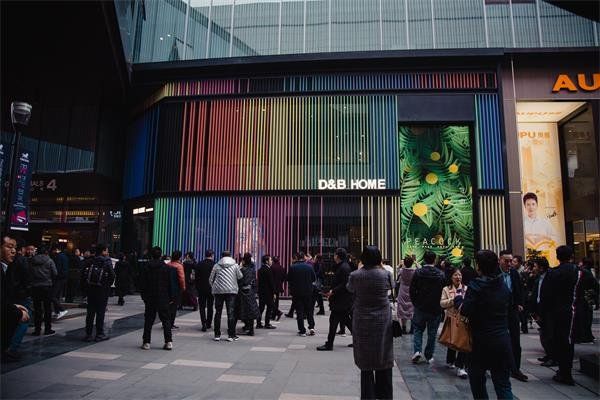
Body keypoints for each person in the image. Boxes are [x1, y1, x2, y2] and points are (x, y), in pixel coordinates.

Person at [459, 250, 513, 400]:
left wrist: (458, 301)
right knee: (503, 384)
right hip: (501, 340)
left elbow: (466, 310)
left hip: (480, 342)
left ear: (479, 266)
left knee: (478, 383)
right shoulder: (502, 286)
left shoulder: (477, 286)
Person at [347, 245, 393, 400]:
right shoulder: (385, 274)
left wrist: (360, 268)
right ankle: (385, 394)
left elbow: (350, 289)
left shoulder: (355, 275)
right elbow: (391, 287)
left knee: (365, 361)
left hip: (362, 319)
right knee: (383, 356)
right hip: (383, 319)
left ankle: (368, 396)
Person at [540, 246, 581, 385]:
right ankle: (565, 372)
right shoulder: (578, 272)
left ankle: (563, 371)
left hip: (555, 312)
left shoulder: (553, 273)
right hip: (572, 310)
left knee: (559, 339)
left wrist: (542, 312)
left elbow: (545, 295)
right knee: (568, 341)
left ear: (557, 257)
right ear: (571, 256)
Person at [410, 251, 445, 364]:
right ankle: (429, 355)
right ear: (434, 260)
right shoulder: (440, 274)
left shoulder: (418, 272)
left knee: (418, 329)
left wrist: (416, 302)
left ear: (424, 259)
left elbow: (412, 290)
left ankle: (417, 351)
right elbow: (443, 290)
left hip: (420, 306)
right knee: (432, 332)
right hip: (435, 308)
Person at [498, 250, 528, 382]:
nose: (509, 263)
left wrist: (520, 303)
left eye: (511, 261)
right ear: (500, 260)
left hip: (512, 310)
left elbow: (519, 289)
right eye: (506, 261)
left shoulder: (514, 273)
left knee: (515, 340)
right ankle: (498, 365)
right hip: (498, 311)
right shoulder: (495, 274)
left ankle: (515, 369)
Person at [140, 246, 175, 350]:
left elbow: (142, 283)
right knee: (166, 320)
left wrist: (144, 296)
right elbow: (170, 284)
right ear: (161, 255)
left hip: (150, 297)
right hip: (163, 297)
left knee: (149, 320)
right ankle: (168, 341)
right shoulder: (167, 268)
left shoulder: (146, 267)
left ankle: (146, 342)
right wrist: (171, 297)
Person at [1, 235, 30, 361]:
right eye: (9, 247)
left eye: (15, 247)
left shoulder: (6, 267)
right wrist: (16, 310)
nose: (13, 251)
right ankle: (11, 349)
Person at [318, 248, 353, 351]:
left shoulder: (344, 267)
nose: (333, 256)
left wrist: (333, 291)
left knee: (334, 321)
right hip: (341, 300)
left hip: (341, 300)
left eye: (334, 255)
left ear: (337, 256)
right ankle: (358, 340)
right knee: (346, 321)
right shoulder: (342, 266)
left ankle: (329, 344)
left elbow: (344, 284)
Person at [80, 244, 115, 342]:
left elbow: (83, 275)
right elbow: (112, 275)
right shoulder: (107, 261)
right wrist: (107, 286)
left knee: (90, 312)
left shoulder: (90, 261)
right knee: (100, 312)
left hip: (91, 290)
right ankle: (99, 334)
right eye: (106, 250)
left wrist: (85, 289)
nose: (107, 252)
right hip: (102, 290)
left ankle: (88, 334)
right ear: (103, 251)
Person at [440, 266, 468, 379]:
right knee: (452, 342)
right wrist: (453, 300)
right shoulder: (446, 289)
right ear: (451, 277)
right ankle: (450, 360)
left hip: (464, 320)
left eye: (460, 275)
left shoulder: (467, 289)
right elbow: (442, 303)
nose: (458, 277)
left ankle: (461, 367)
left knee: (463, 343)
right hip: (451, 319)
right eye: (456, 275)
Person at [209, 250, 243, 342]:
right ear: (230, 256)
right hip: (231, 291)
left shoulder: (216, 265)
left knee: (218, 313)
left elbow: (211, 278)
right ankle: (231, 335)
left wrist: (214, 287)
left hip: (218, 292)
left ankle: (217, 335)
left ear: (221, 256)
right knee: (230, 313)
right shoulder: (235, 265)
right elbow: (240, 276)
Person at [528, 257, 555, 366]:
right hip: (540, 309)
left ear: (541, 267)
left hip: (548, 310)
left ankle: (553, 357)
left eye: (535, 266)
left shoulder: (550, 278)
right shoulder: (538, 278)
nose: (533, 268)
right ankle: (549, 355)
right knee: (544, 334)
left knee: (549, 335)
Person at [28, 245, 57, 336]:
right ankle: (47, 329)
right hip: (47, 286)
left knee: (37, 309)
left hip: (35, 286)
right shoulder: (49, 260)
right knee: (47, 308)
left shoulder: (32, 261)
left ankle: (37, 329)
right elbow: (55, 273)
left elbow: (29, 272)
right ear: (46, 252)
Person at [287, 251, 316, 337]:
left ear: (296, 258)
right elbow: (313, 279)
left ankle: (302, 330)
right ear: (303, 258)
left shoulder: (293, 267)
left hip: (297, 293)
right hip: (308, 292)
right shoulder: (309, 267)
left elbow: (288, 279)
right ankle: (311, 327)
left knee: (299, 312)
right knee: (309, 311)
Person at [237, 252, 261, 335]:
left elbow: (239, 281)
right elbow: (254, 281)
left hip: (242, 292)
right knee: (250, 310)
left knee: (243, 310)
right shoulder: (252, 270)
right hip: (250, 292)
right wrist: (255, 291)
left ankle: (247, 326)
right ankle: (250, 328)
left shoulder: (241, 270)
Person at [195, 249, 215, 332]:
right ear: (212, 255)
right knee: (210, 306)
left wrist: (197, 287)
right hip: (211, 288)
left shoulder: (199, 264)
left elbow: (196, 278)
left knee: (202, 307)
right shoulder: (215, 265)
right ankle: (209, 323)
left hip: (201, 289)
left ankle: (203, 323)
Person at [396, 256, 416, 334]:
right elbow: (420, 268)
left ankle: (403, 328)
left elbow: (397, 269)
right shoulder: (415, 271)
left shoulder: (401, 271)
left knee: (403, 309)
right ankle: (412, 329)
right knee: (412, 309)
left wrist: (400, 264)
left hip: (403, 290)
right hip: (411, 291)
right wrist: (416, 262)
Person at [167, 251, 185, 329]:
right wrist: (183, 287)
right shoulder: (179, 266)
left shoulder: (167, 265)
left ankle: (166, 322)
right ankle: (171, 323)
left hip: (167, 288)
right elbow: (181, 278)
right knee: (174, 307)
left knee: (168, 306)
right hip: (176, 289)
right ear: (179, 257)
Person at [257, 254, 277, 329]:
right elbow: (271, 283)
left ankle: (258, 323)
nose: (271, 261)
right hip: (268, 293)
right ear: (266, 261)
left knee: (261, 308)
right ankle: (267, 323)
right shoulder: (268, 270)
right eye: (270, 260)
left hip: (261, 292)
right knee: (269, 308)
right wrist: (274, 292)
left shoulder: (260, 270)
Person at [50, 244, 69, 319]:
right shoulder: (64, 256)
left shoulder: (58, 257)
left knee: (53, 296)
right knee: (56, 296)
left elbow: (57, 269)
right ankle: (57, 312)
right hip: (63, 278)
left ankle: (61, 309)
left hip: (58, 279)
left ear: (56, 249)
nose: (53, 252)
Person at [270, 256, 286, 321]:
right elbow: (284, 277)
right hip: (278, 286)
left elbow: (270, 277)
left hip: (272, 286)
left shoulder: (271, 267)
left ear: (273, 261)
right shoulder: (281, 267)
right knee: (276, 301)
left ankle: (276, 312)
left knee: (271, 300)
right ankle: (275, 313)